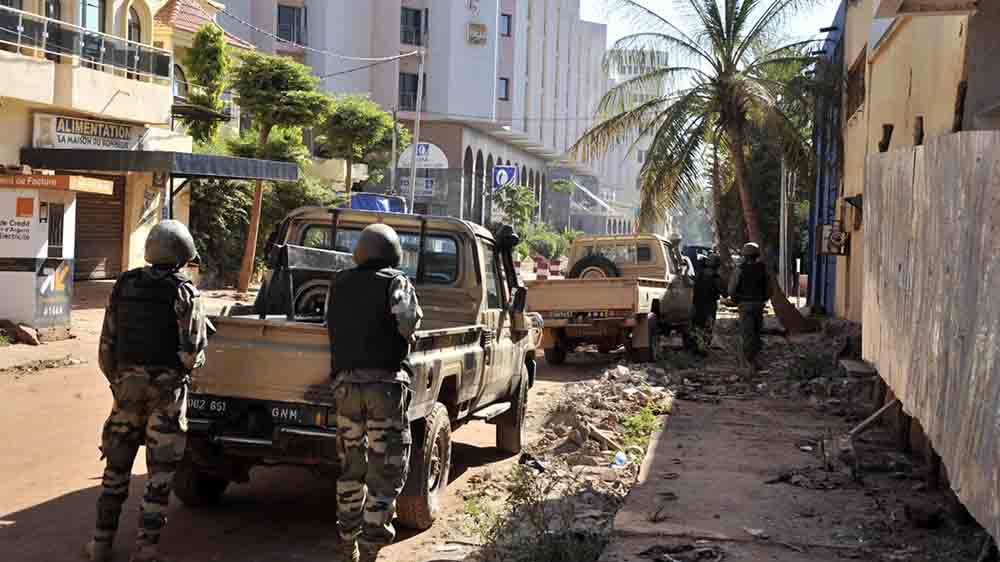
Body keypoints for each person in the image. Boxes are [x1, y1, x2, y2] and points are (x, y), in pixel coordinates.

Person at [86, 220, 209, 562]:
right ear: (183, 254)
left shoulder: (124, 285)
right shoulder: (185, 292)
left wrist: (121, 382)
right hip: (166, 394)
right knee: (159, 476)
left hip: (127, 390)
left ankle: (100, 543)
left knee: (115, 470)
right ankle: (146, 549)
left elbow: (106, 348)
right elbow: (191, 355)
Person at [326, 223, 423, 562]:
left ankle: (347, 545)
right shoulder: (396, 282)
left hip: (345, 387)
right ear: (392, 253)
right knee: (385, 471)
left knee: (351, 470)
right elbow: (408, 324)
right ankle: (369, 551)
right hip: (384, 388)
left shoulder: (338, 282)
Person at [728, 242, 770, 366]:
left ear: (744, 255)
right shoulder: (763, 268)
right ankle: (756, 358)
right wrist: (763, 299)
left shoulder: (739, 269)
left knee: (747, 333)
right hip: (758, 304)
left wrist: (735, 299)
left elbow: (731, 289)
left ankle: (749, 361)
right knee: (757, 331)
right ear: (757, 255)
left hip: (744, 304)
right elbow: (769, 288)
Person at [690, 254, 726, 355]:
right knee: (708, 327)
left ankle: (697, 347)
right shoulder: (716, 278)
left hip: (697, 305)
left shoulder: (699, 274)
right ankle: (703, 348)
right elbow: (725, 293)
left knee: (697, 326)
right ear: (717, 265)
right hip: (710, 306)